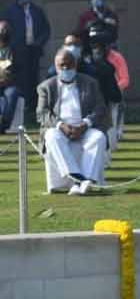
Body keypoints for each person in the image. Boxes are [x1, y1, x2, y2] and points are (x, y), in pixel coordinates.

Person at [38, 47, 108, 195]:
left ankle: (84, 181)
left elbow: (100, 108)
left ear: (75, 65)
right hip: (60, 129)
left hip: (85, 127)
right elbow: (42, 113)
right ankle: (78, 179)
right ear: (55, 67)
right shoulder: (46, 87)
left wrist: (85, 123)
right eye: (61, 65)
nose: (65, 68)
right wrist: (61, 125)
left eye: (68, 65)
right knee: (51, 136)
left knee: (98, 137)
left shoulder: (90, 83)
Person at [4, 0, 51, 106]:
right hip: (17, 51)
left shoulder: (37, 10)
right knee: (20, 79)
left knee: (33, 78)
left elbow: (46, 29)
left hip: (34, 50)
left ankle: (32, 106)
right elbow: (4, 31)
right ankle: (20, 106)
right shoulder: (10, 11)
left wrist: (39, 42)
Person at [0, 20, 20, 131]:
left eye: (5, 29)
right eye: (1, 29)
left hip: (9, 84)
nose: (3, 31)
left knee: (12, 94)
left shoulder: (14, 50)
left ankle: (3, 126)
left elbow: (13, 69)